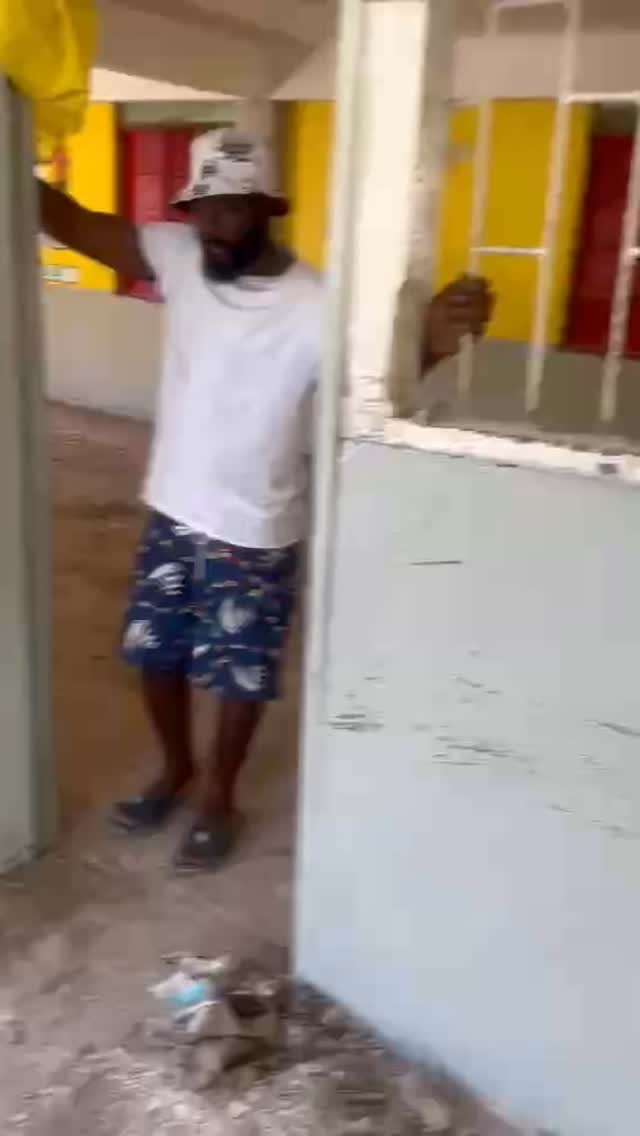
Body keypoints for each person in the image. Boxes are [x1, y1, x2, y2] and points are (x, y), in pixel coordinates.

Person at [39, 129, 494, 871]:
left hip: (254, 526)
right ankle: (176, 769)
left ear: (266, 209)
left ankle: (219, 794)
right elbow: (75, 223)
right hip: (172, 508)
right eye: (204, 209)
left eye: (233, 210)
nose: (215, 227)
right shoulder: (176, 256)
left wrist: (435, 343)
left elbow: (372, 378)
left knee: (238, 673)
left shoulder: (317, 302)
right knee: (155, 655)